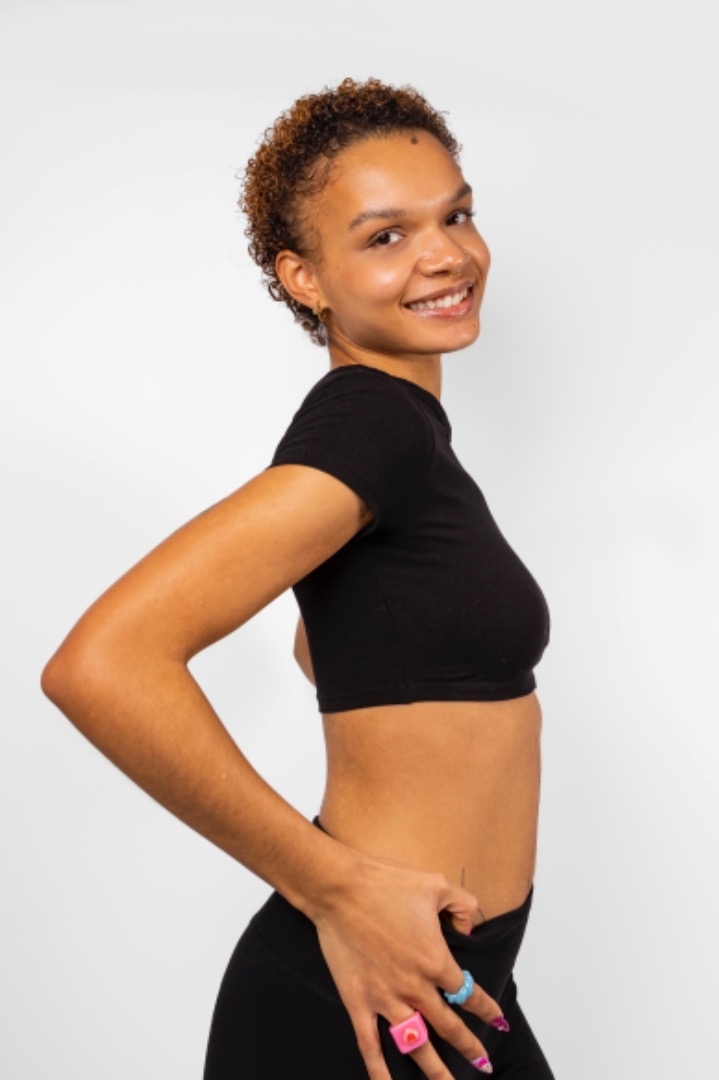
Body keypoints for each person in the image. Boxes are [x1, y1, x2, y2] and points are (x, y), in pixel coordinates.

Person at [41, 78, 555, 1079]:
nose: (445, 255)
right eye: (385, 236)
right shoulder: (372, 425)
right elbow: (100, 664)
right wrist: (336, 889)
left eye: (454, 216)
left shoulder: (402, 439)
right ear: (303, 276)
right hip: (368, 994)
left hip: (450, 978)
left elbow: (325, 646)